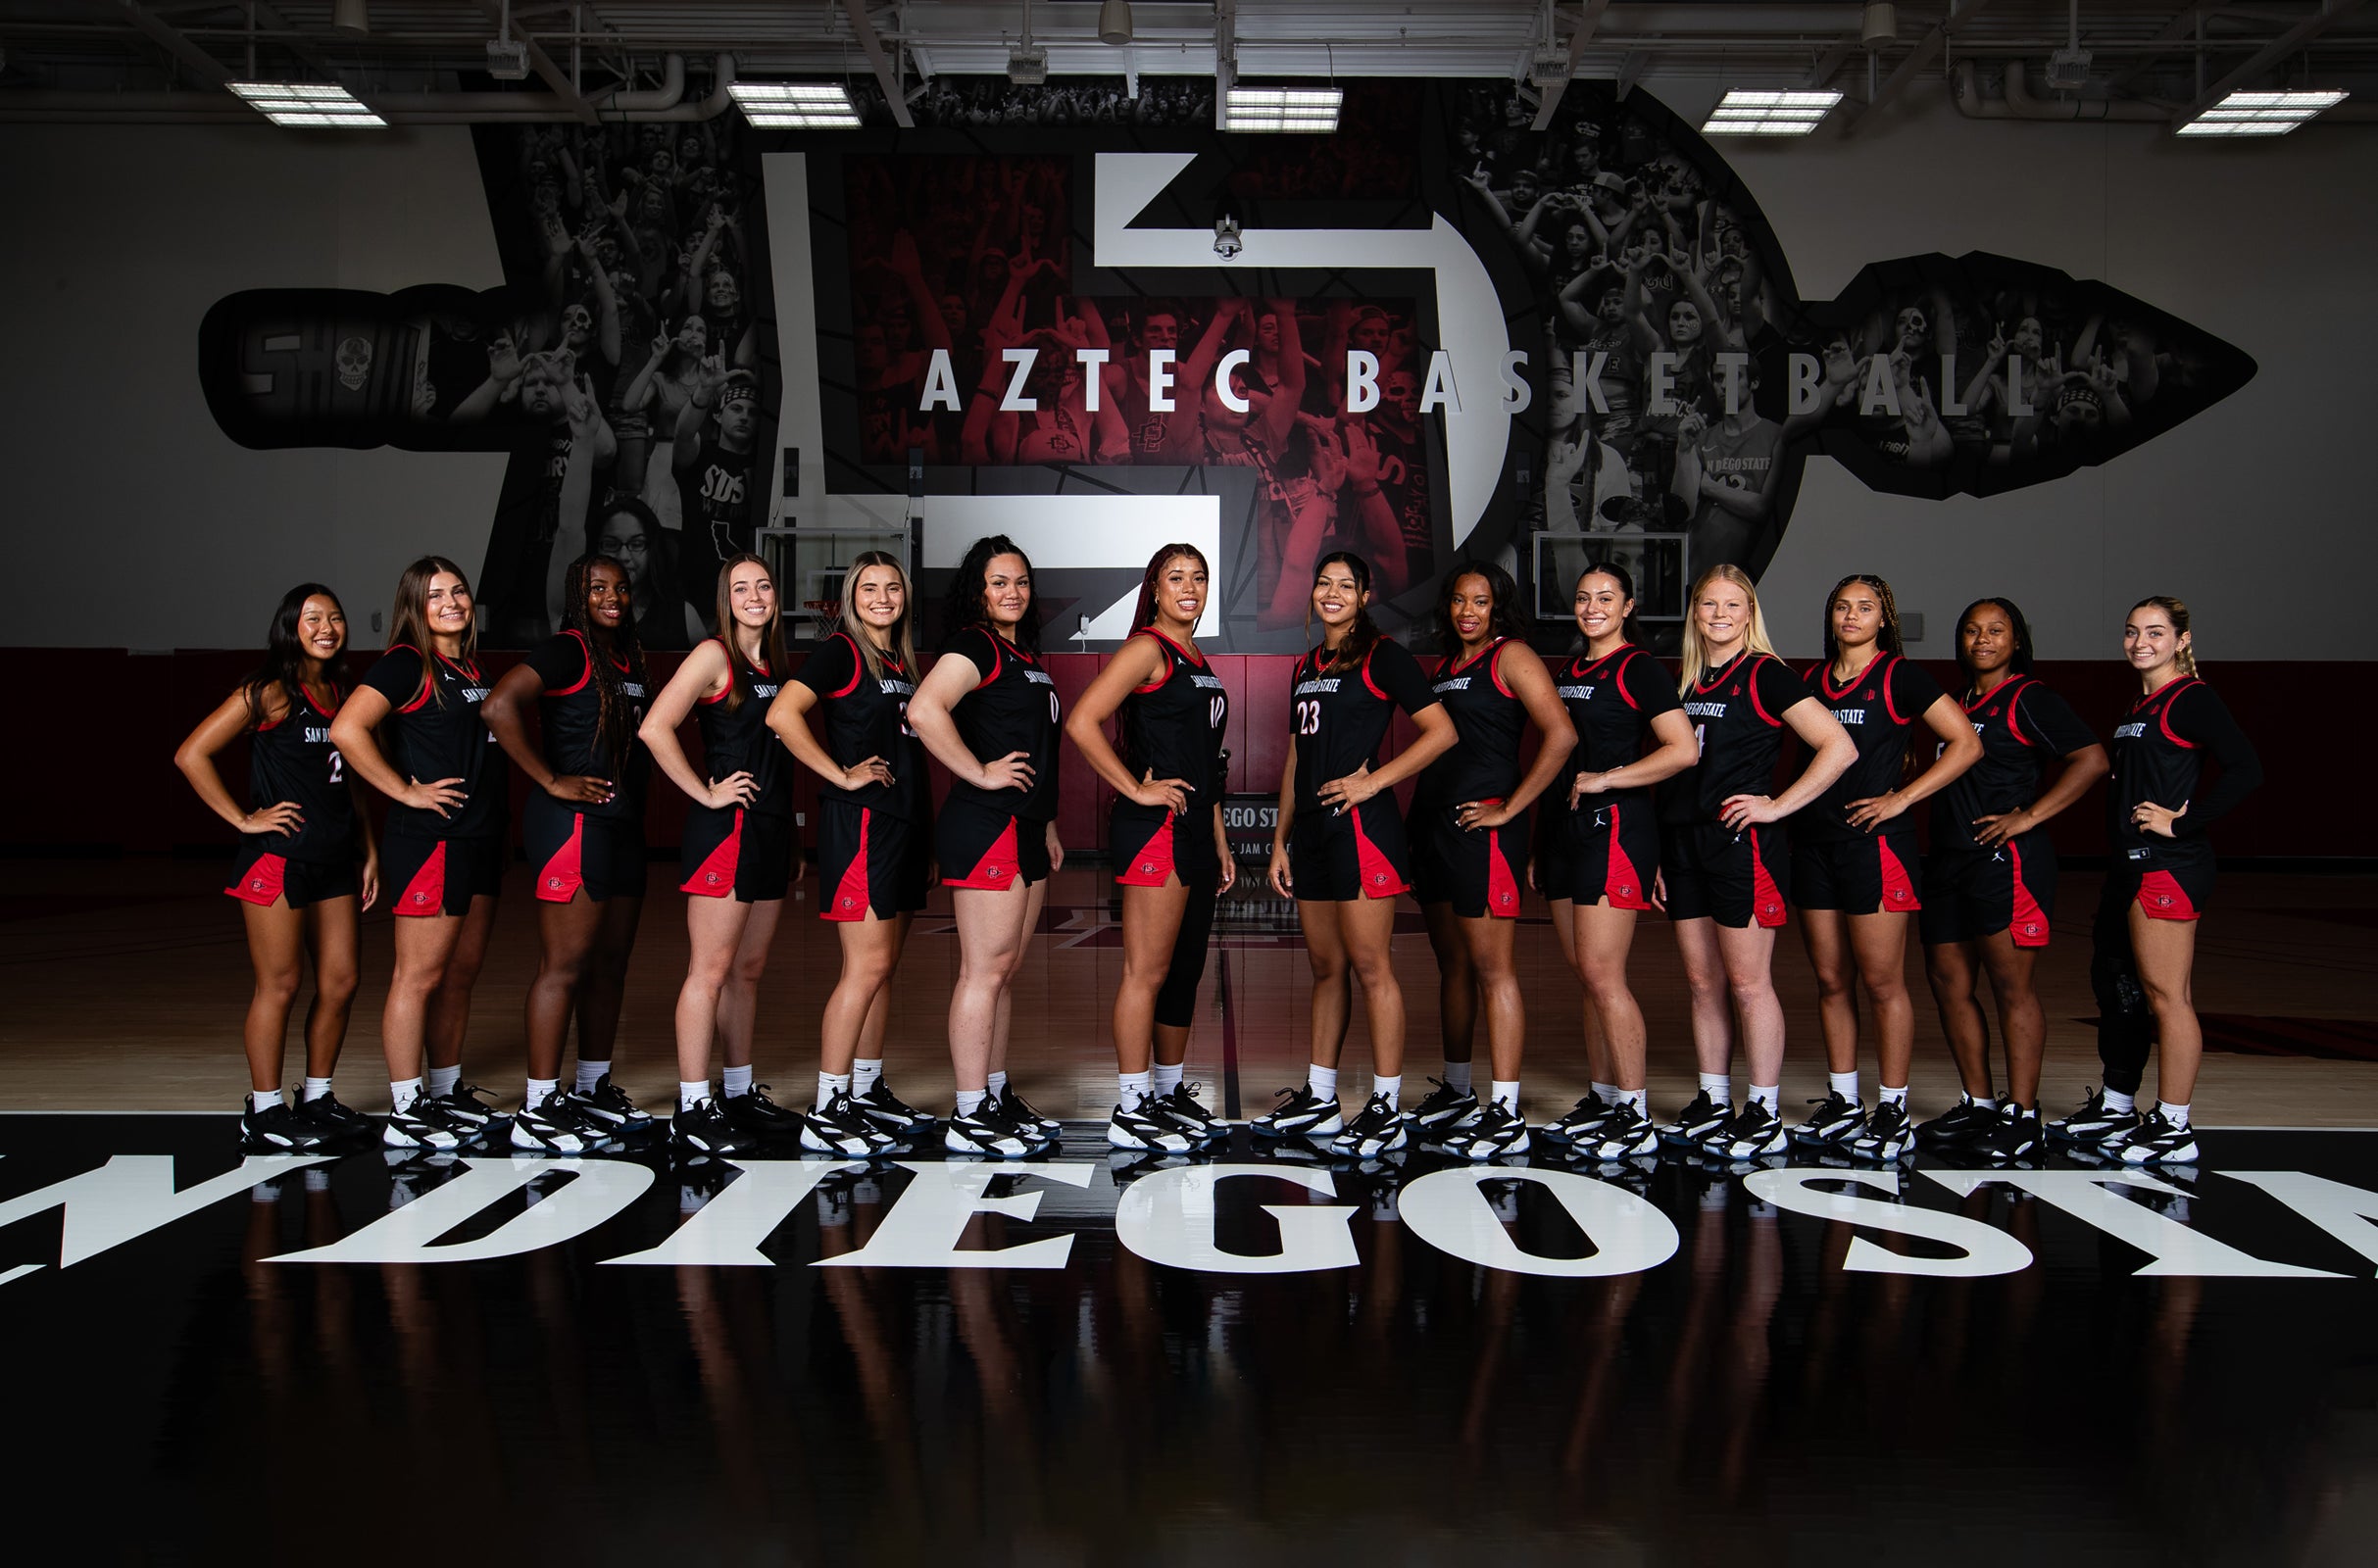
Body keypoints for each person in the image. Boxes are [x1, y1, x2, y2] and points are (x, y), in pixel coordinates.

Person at [1255, 552, 1458, 1156]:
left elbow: (1443, 732)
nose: (1333, 592)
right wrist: (1278, 840)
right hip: (1313, 834)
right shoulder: (1307, 665)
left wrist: (1374, 782)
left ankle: (1386, 1108)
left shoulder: (1384, 656)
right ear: (1312, 593)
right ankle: (1321, 1100)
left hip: (1363, 829)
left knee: (1373, 968)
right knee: (1326, 968)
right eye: (1324, 583)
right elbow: (1295, 757)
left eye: (1347, 584)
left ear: (1365, 596)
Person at [2050, 596, 2261, 1165]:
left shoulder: (2193, 699)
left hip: (2167, 866)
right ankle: (2119, 1107)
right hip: (2128, 866)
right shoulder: (2140, 703)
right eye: (2131, 631)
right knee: (2118, 989)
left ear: (2182, 641)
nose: (2141, 642)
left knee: (2169, 998)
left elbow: (2246, 768)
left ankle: (2174, 1126)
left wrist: (2184, 821)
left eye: (2156, 632)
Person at [1656, 564, 1856, 1160]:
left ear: (1750, 614)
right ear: (1695, 613)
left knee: (1747, 983)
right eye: (1708, 604)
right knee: (1701, 983)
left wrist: (1778, 806)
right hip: (1686, 846)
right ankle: (1715, 1101)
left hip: (1742, 845)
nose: (1719, 614)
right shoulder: (1687, 682)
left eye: (1732, 604)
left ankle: (1763, 1111)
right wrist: (1666, 855)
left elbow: (1838, 746)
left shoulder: (1768, 676)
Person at [173, 584, 380, 1152]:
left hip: (336, 858)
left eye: (335, 618)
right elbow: (191, 754)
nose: (326, 627)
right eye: (312, 618)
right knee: (281, 984)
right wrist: (243, 819)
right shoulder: (267, 692)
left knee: (341, 982)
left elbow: (353, 782)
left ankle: (316, 1099)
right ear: (289, 626)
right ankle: (264, 1111)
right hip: (278, 858)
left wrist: (369, 851)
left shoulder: (342, 692)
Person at [1788, 575, 1981, 1161]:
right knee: (1829, 979)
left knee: (1881, 982)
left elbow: (1966, 743)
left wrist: (1901, 799)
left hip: (1876, 846)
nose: (1851, 615)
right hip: (1815, 845)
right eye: (1842, 606)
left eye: (1864, 607)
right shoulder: (1813, 681)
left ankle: (1892, 1109)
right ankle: (1845, 1102)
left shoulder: (1899, 677)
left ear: (1884, 619)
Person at [329, 558, 511, 1150]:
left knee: (460, 975)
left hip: (479, 840)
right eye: (436, 595)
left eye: (458, 590)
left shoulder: (471, 666)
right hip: (430, 841)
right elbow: (347, 729)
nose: (452, 602)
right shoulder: (408, 662)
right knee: (418, 976)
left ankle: (445, 1089)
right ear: (415, 604)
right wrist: (405, 790)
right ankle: (407, 1108)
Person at [1918, 598, 2107, 1160]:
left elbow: (2092, 759)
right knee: (1948, 983)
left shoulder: (2031, 699)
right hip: (1947, 860)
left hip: (2008, 862)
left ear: (2016, 640)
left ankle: (2022, 1115)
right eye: (1972, 631)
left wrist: (2027, 816)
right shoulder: (1952, 704)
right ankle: (1979, 1104)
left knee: (2010, 986)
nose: (1983, 639)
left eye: (1996, 630)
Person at [1063, 544, 1236, 1153]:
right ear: (1155, 588)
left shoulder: (1197, 657)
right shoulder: (1147, 647)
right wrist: (1136, 787)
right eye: (1176, 577)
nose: (1189, 587)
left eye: (1199, 577)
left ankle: (1167, 1092)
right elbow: (1082, 721)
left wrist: (1219, 839)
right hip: (1155, 830)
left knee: (1185, 970)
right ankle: (1133, 1105)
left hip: (1193, 832)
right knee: (1147, 971)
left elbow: (1209, 764)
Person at [767, 551, 939, 1155]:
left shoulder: (900, 661)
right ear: (850, 597)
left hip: (904, 826)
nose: (883, 598)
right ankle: (828, 1105)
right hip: (861, 826)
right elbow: (782, 714)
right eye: (870, 588)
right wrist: (839, 776)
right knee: (862, 967)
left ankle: (864, 1090)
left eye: (893, 588)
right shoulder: (841, 651)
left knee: (882, 969)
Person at [484, 553, 656, 1153]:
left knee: (610, 965)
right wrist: (549, 778)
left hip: (622, 824)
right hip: (574, 823)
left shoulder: (629, 656)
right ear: (575, 594)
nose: (611, 596)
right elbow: (499, 706)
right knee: (565, 964)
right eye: (597, 588)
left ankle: (591, 1088)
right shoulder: (567, 650)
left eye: (620, 587)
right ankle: (538, 1106)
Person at [1406, 562, 1576, 1159]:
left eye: (1480, 601)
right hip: (1435, 828)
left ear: (1498, 606)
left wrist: (1511, 809)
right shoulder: (1446, 666)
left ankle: (1503, 1111)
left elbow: (1561, 735)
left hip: (1486, 833)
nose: (1468, 611)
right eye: (1458, 600)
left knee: (1492, 968)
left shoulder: (1512, 656)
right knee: (1451, 965)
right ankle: (1457, 1091)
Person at [639, 555, 807, 1155]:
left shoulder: (777, 665)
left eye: (764, 584)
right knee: (708, 972)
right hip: (725, 831)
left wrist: (788, 834)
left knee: (747, 971)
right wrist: (705, 791)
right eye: (742, 587)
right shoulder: (714, 655)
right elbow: (655, 727)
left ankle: (737, 1093)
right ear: (725, 599)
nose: (755, 595)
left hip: (767, 831)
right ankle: (692, 1105)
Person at [907, 535, 1067, 1157]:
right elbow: (924, 710)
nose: (1013, 592)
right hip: (986, 824)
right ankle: (971, 1114)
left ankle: (993, 1095)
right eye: (1000, 581)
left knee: (1005, 971)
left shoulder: (1020, 652)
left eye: (1021, 581)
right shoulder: (975, 645)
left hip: (1026, 826)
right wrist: (978, 772)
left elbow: (1037, 747)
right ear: (978, 590)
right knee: (983, 971)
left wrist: (1048, 822)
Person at [1532, 564, 1699, 1160]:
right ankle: (1603, 1099)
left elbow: (1683, 750)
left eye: (1606, 598)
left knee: (1605, 975)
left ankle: (1634, 1112)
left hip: (1616, 831)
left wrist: (1609, 778)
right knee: (1587, 975)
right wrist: (1538, 840)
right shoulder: (1569, 671)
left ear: (1628, 607)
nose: (1593, 606)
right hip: (1563, 834)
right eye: (1583, 598)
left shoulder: (1641, 670)